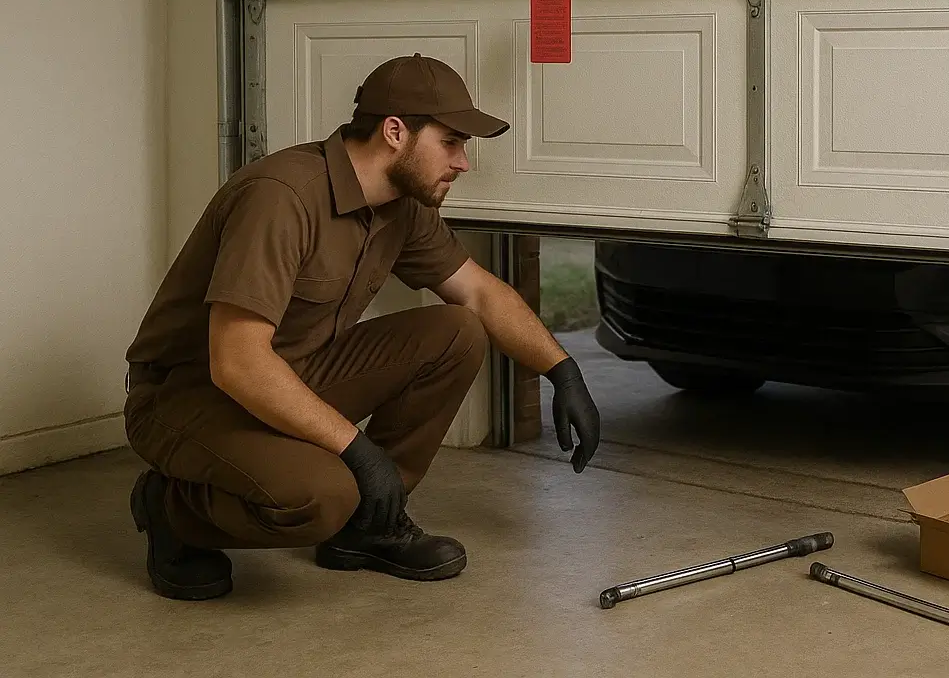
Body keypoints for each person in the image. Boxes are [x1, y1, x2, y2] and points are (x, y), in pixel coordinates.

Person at [121, 53, 601, 601]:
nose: (463, 162)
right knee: (322, 495)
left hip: (293, 374)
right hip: (189, 396)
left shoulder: (401, 203)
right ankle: (170, 508)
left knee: (456, 332)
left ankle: (370, 525)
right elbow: (236, 361)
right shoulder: (282, 197)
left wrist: (563, 371)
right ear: (395, 131)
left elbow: (481, 293)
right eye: (450, 142)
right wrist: (356, 450)